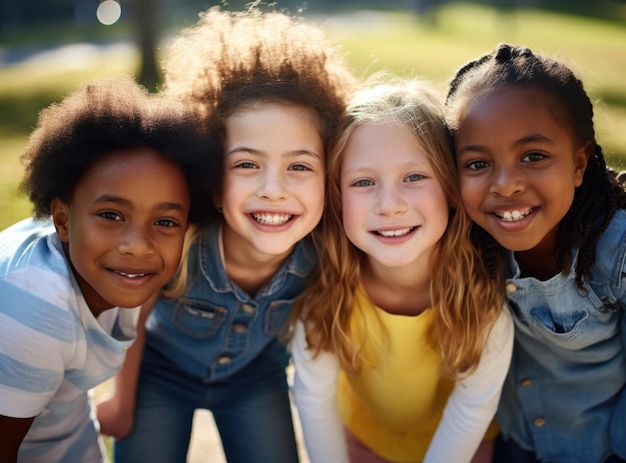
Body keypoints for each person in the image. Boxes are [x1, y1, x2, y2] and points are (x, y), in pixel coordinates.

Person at [96, 6, 356, 463]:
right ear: (214, 182)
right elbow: (134, 315)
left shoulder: (325, 251)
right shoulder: (183, 241)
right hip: (161, 373)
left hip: (254, 377)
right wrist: (122, 395)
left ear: (328, 176)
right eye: (247, 165)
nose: (273, 190)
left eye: (299, 166)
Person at [290, 77, 514, 463]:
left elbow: (471, 408)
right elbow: (313, 398)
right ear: (337, 199)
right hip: (362, 439)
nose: (389, 205)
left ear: (449, 187)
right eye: (363, 182)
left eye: (414, 177)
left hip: (462, 446)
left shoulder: (481, 296)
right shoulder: (326, 295)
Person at [0, 75, 217, 463]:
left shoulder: (117, 270)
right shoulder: (35, 307)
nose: (137, 244)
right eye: (111, 215)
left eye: (165, 222)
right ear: (62, 220)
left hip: (63, 430)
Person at [444, 43, 626, 463]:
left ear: (579, 164)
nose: (505, 184)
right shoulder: (468, 241)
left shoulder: (614, 253)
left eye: (534, 156)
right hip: (516, 443)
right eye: (477, 164)